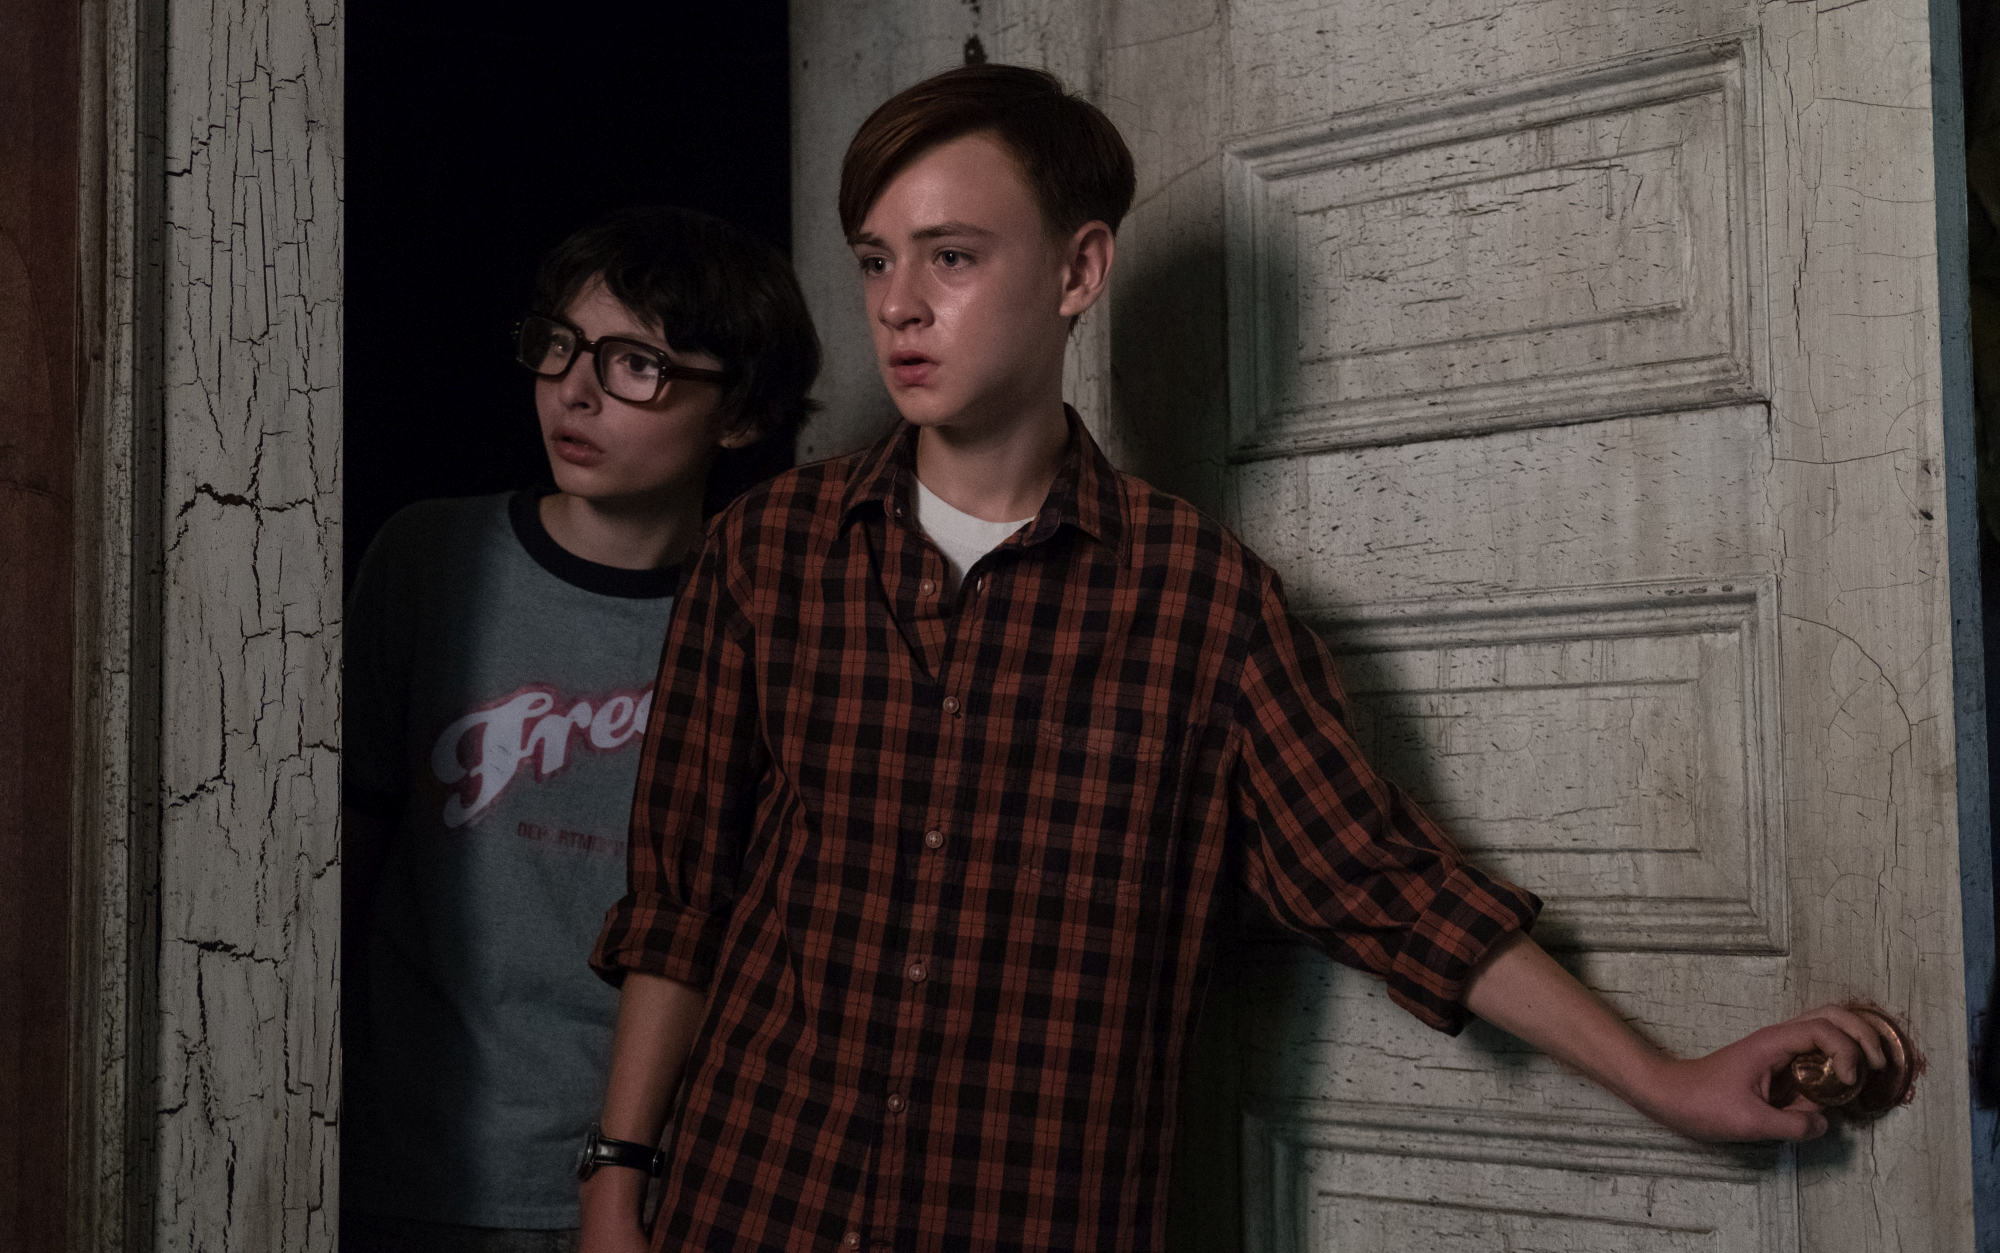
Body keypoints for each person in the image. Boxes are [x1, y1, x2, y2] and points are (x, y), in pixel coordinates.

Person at [576, 68, 1889, 1253]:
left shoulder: (1200, 603)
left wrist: (1666, 1080)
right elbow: (682, 901)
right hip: (747, 1197)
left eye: (953, 256)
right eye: (875, 261)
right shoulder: (769, 552)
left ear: (1078, 270)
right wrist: (617, 1180)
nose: (899, 306)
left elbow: (1381, 883)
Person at [341, 206, 821, 1252]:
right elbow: (345, 858)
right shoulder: (429, 559)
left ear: (740, 413)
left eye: (636, 364)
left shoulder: (763, 620)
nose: (575, 389)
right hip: (408, 1161)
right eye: (559, 345)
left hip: (659, 1183)